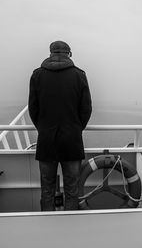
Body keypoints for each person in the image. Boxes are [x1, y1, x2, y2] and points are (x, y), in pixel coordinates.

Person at [28, 41, 92, 211]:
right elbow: (86, 109)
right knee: (72, 189)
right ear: (68, 54)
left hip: (46, 140)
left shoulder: (37, 75)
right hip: (72, 139)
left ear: (50, 53)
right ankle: (69, 225)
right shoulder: (79, 75)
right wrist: (76, 128)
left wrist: (43, 128)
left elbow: (33, 109)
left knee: (47, 189)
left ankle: (47, 225)